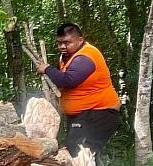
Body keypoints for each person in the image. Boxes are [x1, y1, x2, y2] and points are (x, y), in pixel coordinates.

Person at [37, 23, 121, 157]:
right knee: (77, 153)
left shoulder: (86, 56)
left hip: (98, 113)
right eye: (59, 43)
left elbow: (69, 80)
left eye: (67, 42)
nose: (62, 47)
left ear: (80, 40)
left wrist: (47, 69)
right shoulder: (68, 56)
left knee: (80, 154)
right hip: (85, 115)